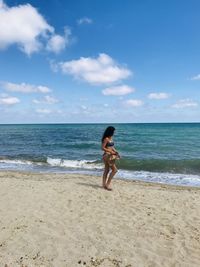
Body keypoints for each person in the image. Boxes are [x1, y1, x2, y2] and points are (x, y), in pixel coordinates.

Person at [101, 126, 120, 190]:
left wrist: (116, 152)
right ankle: (107, 185)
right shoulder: (106, 139)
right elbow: (103, 148)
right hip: (107, 155)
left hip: (110, 155)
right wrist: (111, 152)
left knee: (107, 170)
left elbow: (112, 147)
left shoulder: (111, 138)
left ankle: (104, 184)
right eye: (114, 131)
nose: (114, 132)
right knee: (115, 170)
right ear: (111, 131)